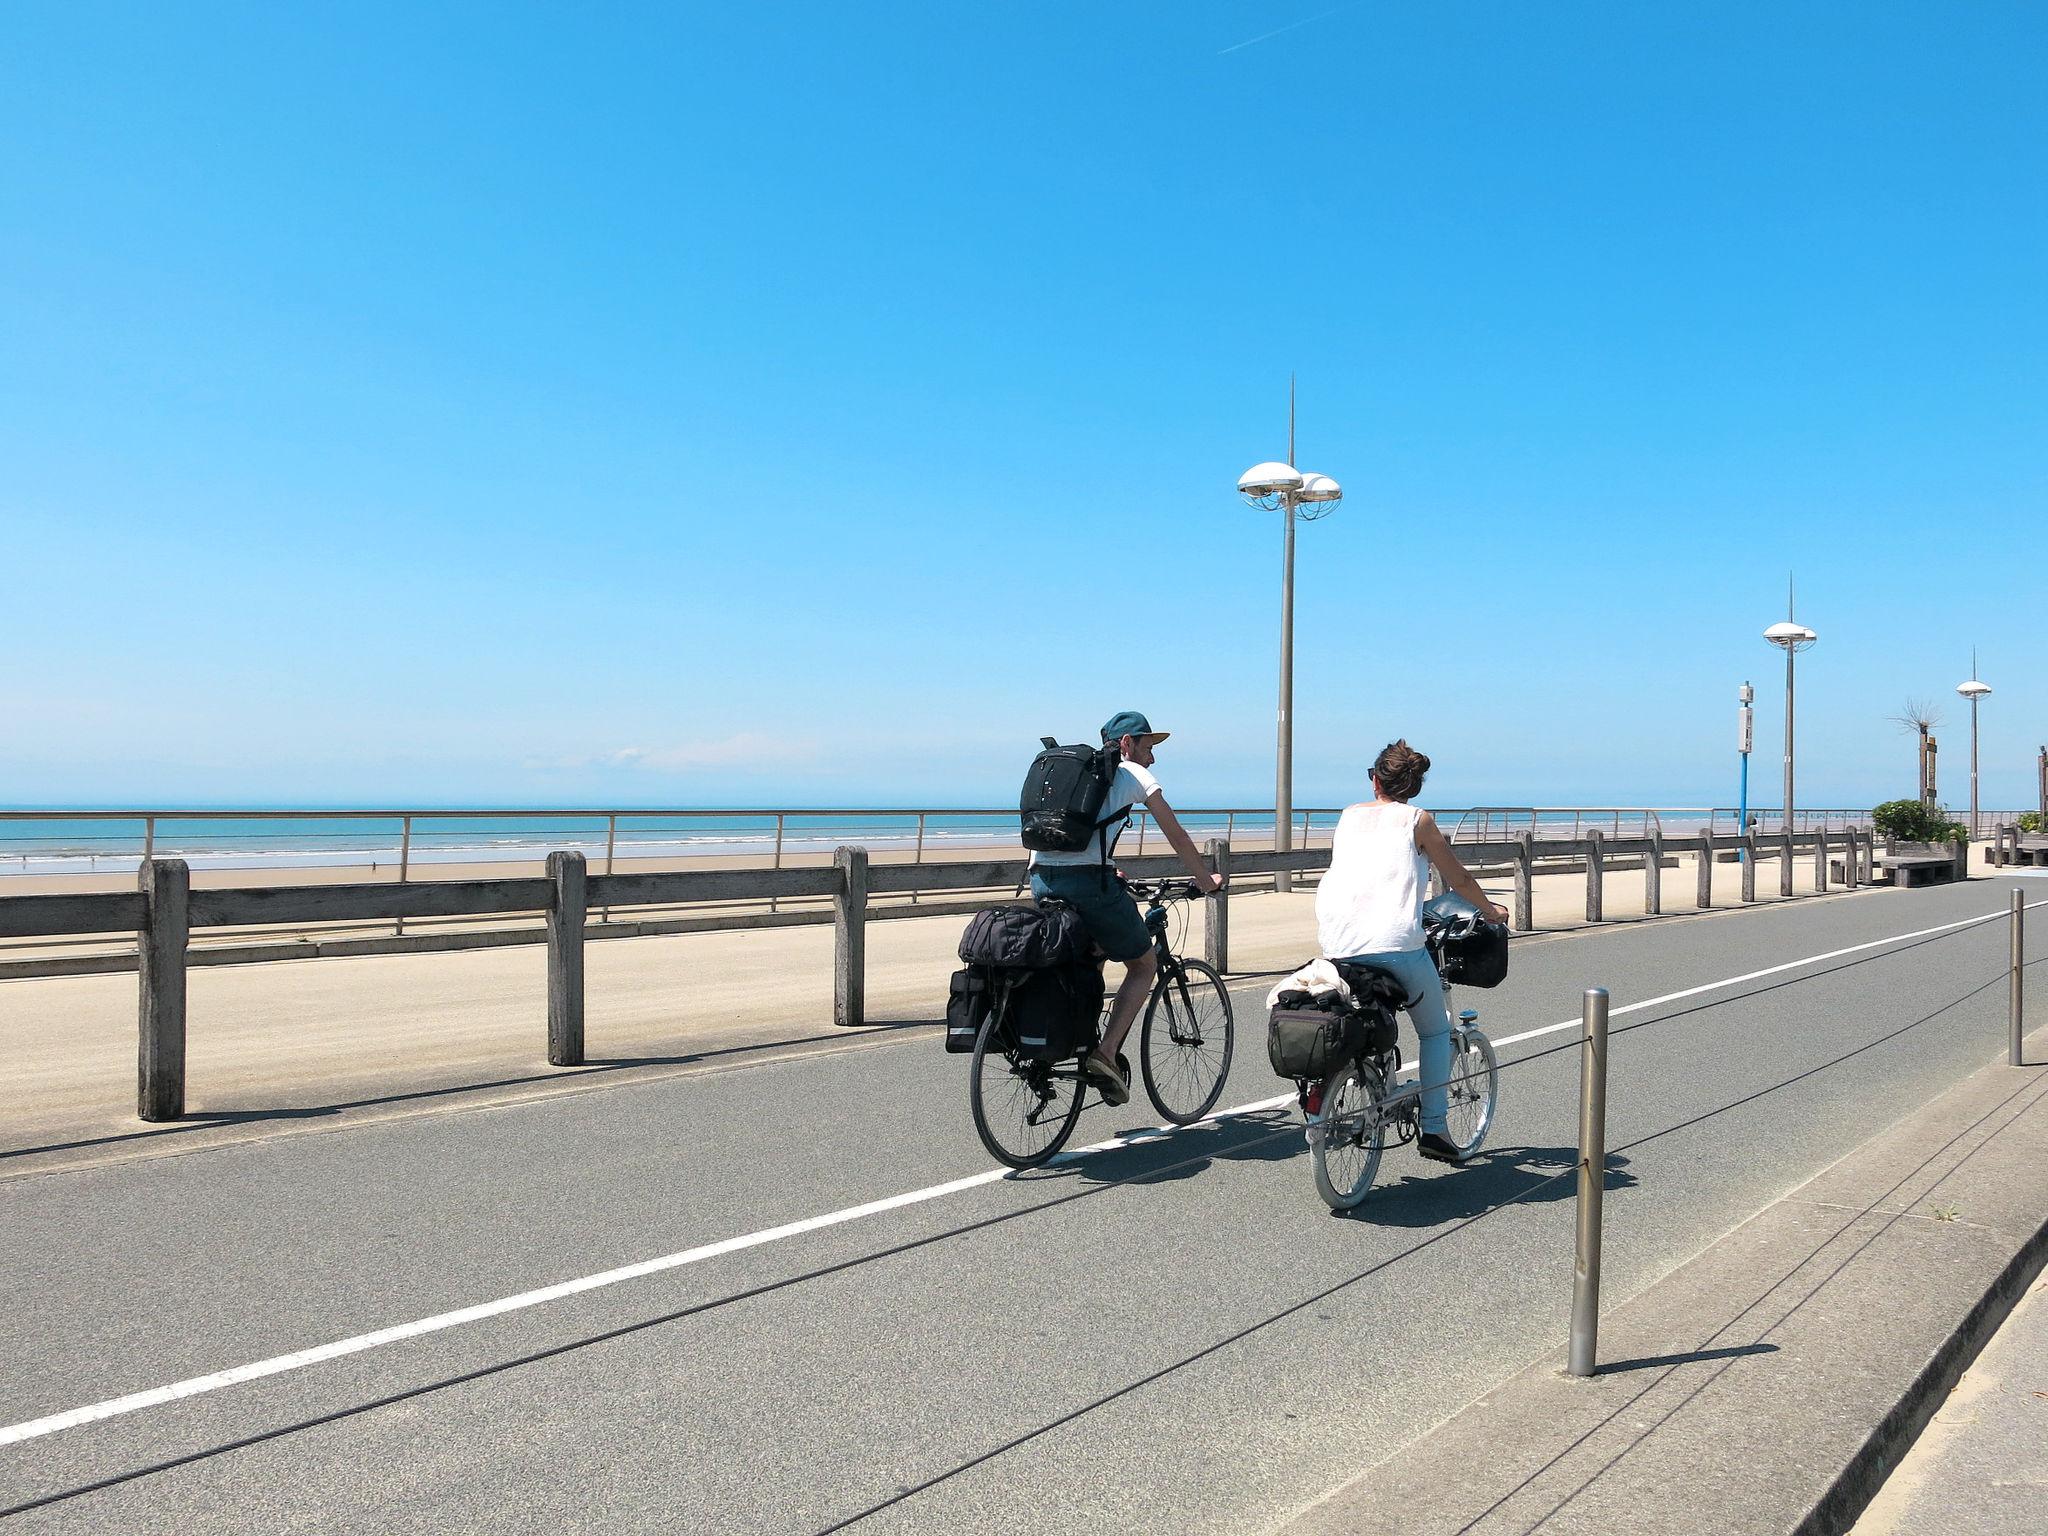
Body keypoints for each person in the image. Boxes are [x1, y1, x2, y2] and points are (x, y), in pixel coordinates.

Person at [1315, 739, 1509, 1163]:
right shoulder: (1418, 821)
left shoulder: (1348, 816)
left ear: (1375, 779)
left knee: (1363, 1009)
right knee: (1436, 1029)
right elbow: (1456, 878)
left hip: (1336, 943)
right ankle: (1435, 1128)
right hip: (1395, 945)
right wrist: (1490, 910)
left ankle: (1367, 1084)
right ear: (1413, 785)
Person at [1029, 710, 1223, 1106]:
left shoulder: (1078, 777)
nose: (1152, 758)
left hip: (1040, 879)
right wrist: (1206, 880)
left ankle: (1077, 1033)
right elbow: (1178, 835)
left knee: (1089, 950)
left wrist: (1109, 866)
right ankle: (1105, 1053)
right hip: (1088, 885)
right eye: (1147, 747)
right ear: (1126, 744)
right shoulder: (1133, 775)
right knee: (1144, 963)